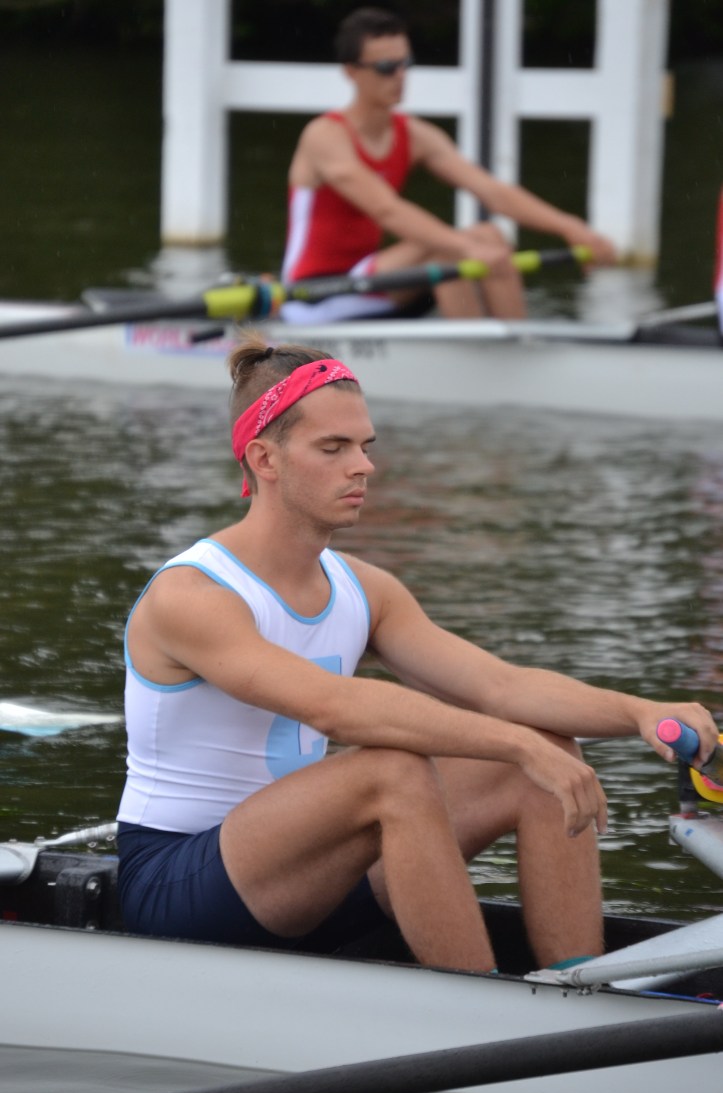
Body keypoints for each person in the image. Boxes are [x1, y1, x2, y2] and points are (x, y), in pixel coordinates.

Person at [115, 334, 718, 974]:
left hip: (311, 872)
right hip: (177, 888)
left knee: (547, 752)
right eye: (333, 448)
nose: (364, 467)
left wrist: (639, 712)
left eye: (365, 446)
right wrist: (515, 742)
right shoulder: (194, 596)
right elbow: (335, 709)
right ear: (265, 458)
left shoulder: (364, 589)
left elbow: (501, 687)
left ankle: (577, 985)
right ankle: (479, 1006)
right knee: (396, 771)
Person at [279, 6, 617, 325]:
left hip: (374, 281)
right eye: (386, 67)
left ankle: (519, 345)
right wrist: (466, 249)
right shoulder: (324, 136)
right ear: (351, 71)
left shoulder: (416, 135)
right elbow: (387, 210)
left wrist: (570, 227)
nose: (400, 76)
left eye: (405, 63)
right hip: (313, 295)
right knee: (452, 249)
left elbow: (492, 191)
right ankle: (480, 352)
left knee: (489, 235)